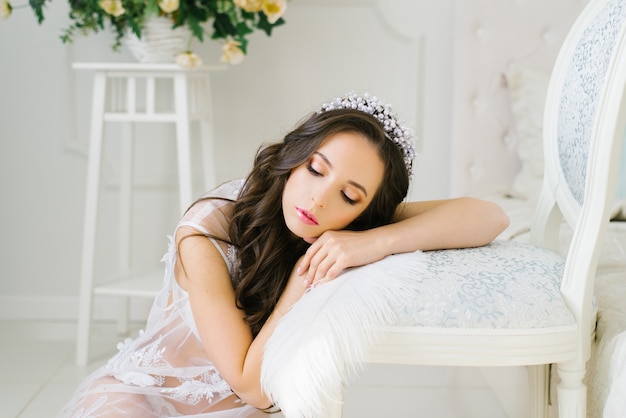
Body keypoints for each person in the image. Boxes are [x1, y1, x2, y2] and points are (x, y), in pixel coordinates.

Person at [59, 93, 509, 417]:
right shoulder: (208, 230)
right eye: (315, 169)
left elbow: (489, 216)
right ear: (294, 154)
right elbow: (250, 384)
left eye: (349, 196)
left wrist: (375, 241)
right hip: (149, 398)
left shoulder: (352, 228)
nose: (318, 201)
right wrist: (301, 278)